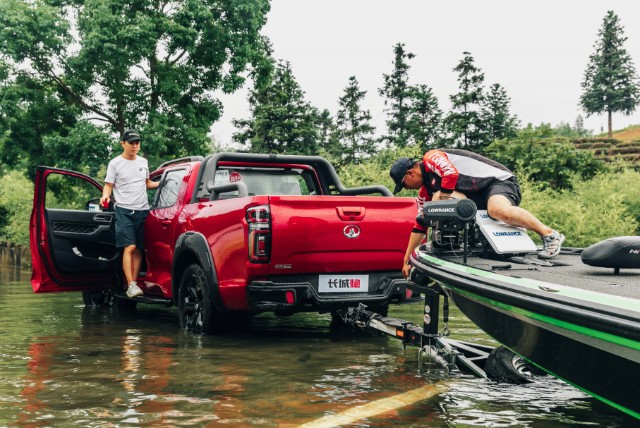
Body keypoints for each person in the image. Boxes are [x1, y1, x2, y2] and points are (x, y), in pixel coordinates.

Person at [390, 148, 565, 279]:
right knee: (432, 205)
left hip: (499, 182)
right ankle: (457, 242)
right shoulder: (424, 193)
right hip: (477, 194)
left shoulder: (431, 158)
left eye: (403, 184)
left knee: (495, 210)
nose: (405, 188)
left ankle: (550, 235)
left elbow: (450, 174)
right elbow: (420, 224)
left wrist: (440, 199)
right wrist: (407, 260)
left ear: (410, 173)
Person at [100, 129, 159, 298]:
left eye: (137, 143)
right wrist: (105, 195)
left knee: (139, 249)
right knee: (130, 247)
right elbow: (109, 185)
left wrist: (165, 182)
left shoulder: (143, 162)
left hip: (142, 210)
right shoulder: (115, 163)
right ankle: (132, 284)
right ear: (123, 144)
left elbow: (147, 183)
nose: (135, 146)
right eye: (131, 143)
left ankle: (131, 285)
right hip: (124, 209)